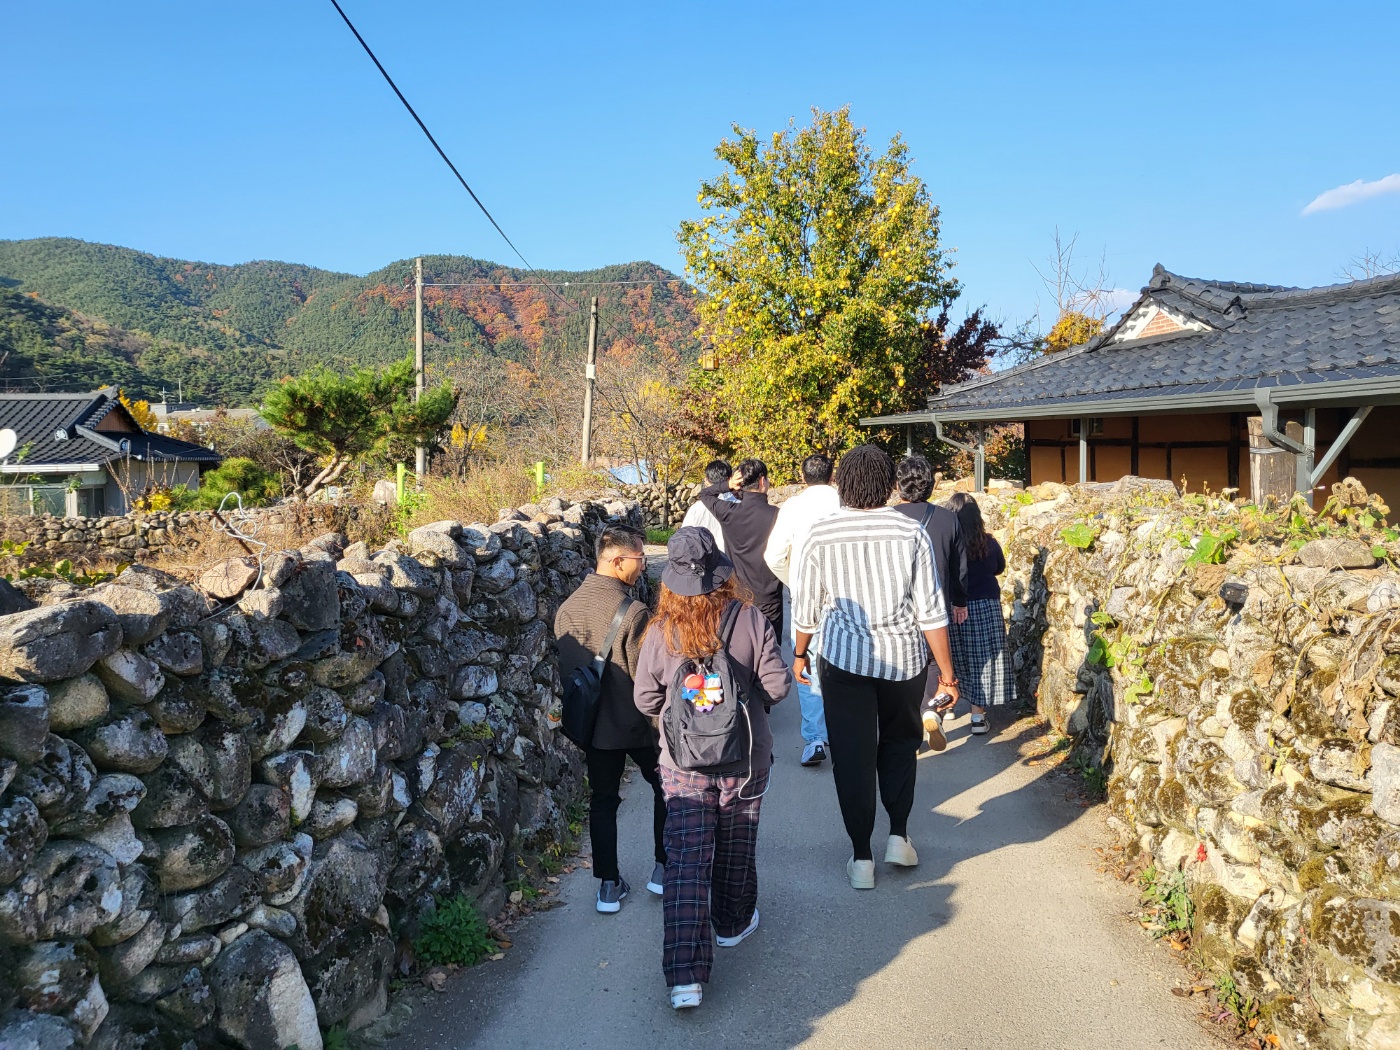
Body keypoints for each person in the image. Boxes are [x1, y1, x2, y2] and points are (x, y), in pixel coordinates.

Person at [633, 527, 791, 1011]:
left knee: (685, 860)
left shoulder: (660, 631)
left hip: (682, 763)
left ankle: (685, 977)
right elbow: (778, 687)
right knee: (737, 842)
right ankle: (732, 923)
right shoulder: (749, 618)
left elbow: (645, 698)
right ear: (721, 573)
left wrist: (681, 714)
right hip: (745, 757)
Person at [791, 444, 959, 891]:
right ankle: (899, 837)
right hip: (904, 661)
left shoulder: (821, 534)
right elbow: (931, 611)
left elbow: (806, 606)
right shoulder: (910, 533)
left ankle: (861, 857)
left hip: (844, 660)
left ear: (842, 483)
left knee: (853, 754)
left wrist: (800, 653)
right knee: (900, 746)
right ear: (888, 485)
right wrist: (946, 673)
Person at [553, 523, 665, 914]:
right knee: (665, 789)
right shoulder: (633, 612)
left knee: (602, 802)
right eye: (639, 557)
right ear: (617, 561)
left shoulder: (567, 608)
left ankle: (607, 885)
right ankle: (663, 869)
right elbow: (645, 677)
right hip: (635, 726)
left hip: (593, 729)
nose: (644, 565)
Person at [763, 452, 841, 766]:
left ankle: (815, 738)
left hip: (806, 599)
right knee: (843, 667)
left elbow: (774, 554)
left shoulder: (793, 507)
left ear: (803, 475)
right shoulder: (845, 501)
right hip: (847, 597)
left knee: (806, 666)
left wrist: (793, 580)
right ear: (832, 474)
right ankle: (847, 734)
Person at [892, 454, 969, 750]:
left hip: (898, 604)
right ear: (931, 484)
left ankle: (908, 719)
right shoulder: (948, 519)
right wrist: (959, 602)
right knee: (935, 659)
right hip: (937, 602)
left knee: (904, 664)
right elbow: (959, 568)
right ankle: (930, 709)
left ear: (898, 485)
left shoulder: (890, 517)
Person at [943, 492, 1014, 734]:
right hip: (985, 606)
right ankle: (977, 718)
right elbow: (999, 568)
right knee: (982, 660)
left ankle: (948, 707)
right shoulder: (988, 543)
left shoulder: (947, 544)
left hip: (952, 606)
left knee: (953, 656)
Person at [699, 458, 783, 638]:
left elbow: (705, 494)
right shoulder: (777, 515)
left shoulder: (729, 512)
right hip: (769, 598)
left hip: (738, 596)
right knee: (771, 652)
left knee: (742, 651)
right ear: (762, 481)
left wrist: (728, 485)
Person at [679, 460, 734, 552]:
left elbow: (684, 539)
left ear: (706, 480)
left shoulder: (697, 508)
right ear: (730, 479)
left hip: (704, 560)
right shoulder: (739, 504)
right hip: (734, 561)